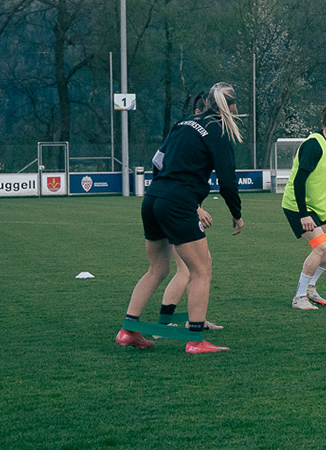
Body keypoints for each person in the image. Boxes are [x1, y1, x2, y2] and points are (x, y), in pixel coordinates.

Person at [116, 81, 245, 354]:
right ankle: (196, 340)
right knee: (201, 271)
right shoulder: (218, 129)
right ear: (231, 107)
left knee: (156, 269)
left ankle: (128, 331)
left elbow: (158, 161)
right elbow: (227, 179)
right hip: (178, 202)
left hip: (153, 198)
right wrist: (237, 213)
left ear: (206, 104)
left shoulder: (183, 123)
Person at [153, 91, 222, 331]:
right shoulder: (189, 131)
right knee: (186, 269)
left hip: (175, 204)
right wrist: (195, 208)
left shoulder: (187, 134)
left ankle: (197, 318)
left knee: (202, 264)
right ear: (197, 113)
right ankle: (165, 324)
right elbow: (172, 176)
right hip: (177, 208)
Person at [281, 104, 326, 310]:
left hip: (320, 208)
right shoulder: (313, 145)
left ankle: (311, 286)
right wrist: (304, 214)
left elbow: (320, 178)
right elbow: (299, 181)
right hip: (298, 206)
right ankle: (299, 297)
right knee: (321, 246)